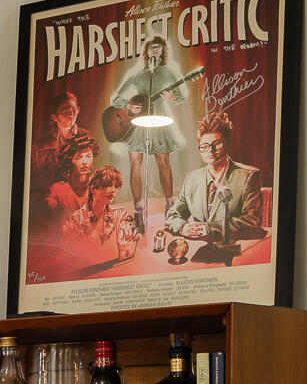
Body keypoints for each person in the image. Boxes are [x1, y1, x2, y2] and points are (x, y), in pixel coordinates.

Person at [156, 114, 267, 265]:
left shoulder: (248, 176)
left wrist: (209, 228)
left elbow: (252, 220)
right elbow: (172, 215)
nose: (210, 150)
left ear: (227, 143)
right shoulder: (191, 179)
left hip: (238, 253)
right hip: (199, 255)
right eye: (204, 146)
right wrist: (183, 226)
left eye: (217, 143)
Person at [107, 34, 198, 211]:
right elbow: (115, 98)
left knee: (163, 162)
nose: (155, 50)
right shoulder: (136, 73)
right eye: (152, 47)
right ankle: (138, 207)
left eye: (158, 47)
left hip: (160, 120)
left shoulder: (169, 71)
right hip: (137, 123)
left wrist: (173, 97)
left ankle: (170, 203)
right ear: (146, 51)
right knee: (135, 163)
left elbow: (183, 95)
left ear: (163, 51)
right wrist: (129, 105)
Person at [44, 141, 123, 235]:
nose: (85, 162)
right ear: (70, 162)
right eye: (78, 158)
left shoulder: (102, 187)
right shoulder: (57, 190)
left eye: (89, 156)